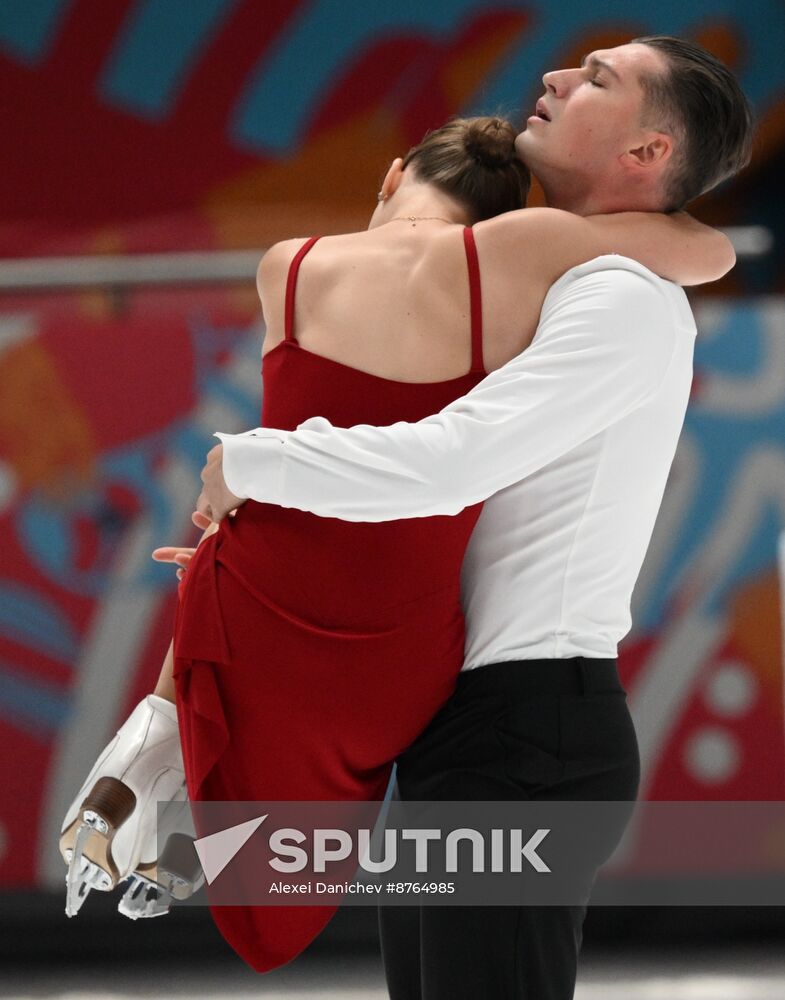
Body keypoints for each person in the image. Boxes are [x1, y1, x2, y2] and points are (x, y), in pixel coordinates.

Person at [183, 36, 753, 999]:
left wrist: (252, 461)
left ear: (648, 153)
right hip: (473, 737)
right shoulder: (550, 279)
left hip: (526, 736)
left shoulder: (618, 301)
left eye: (596, 80)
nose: (555, 79)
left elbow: (453, 464)